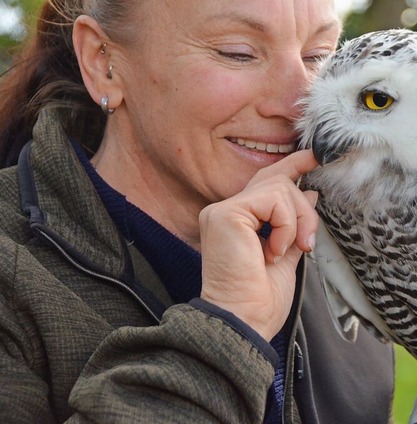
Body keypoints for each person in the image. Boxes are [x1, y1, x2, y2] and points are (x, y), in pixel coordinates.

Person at [0, 0, 395, 422]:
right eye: (237, 52)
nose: (299, 103)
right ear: (101, 60)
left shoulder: (353, 249)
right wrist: (227, 330)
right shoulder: (14, 276)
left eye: (318, 56)